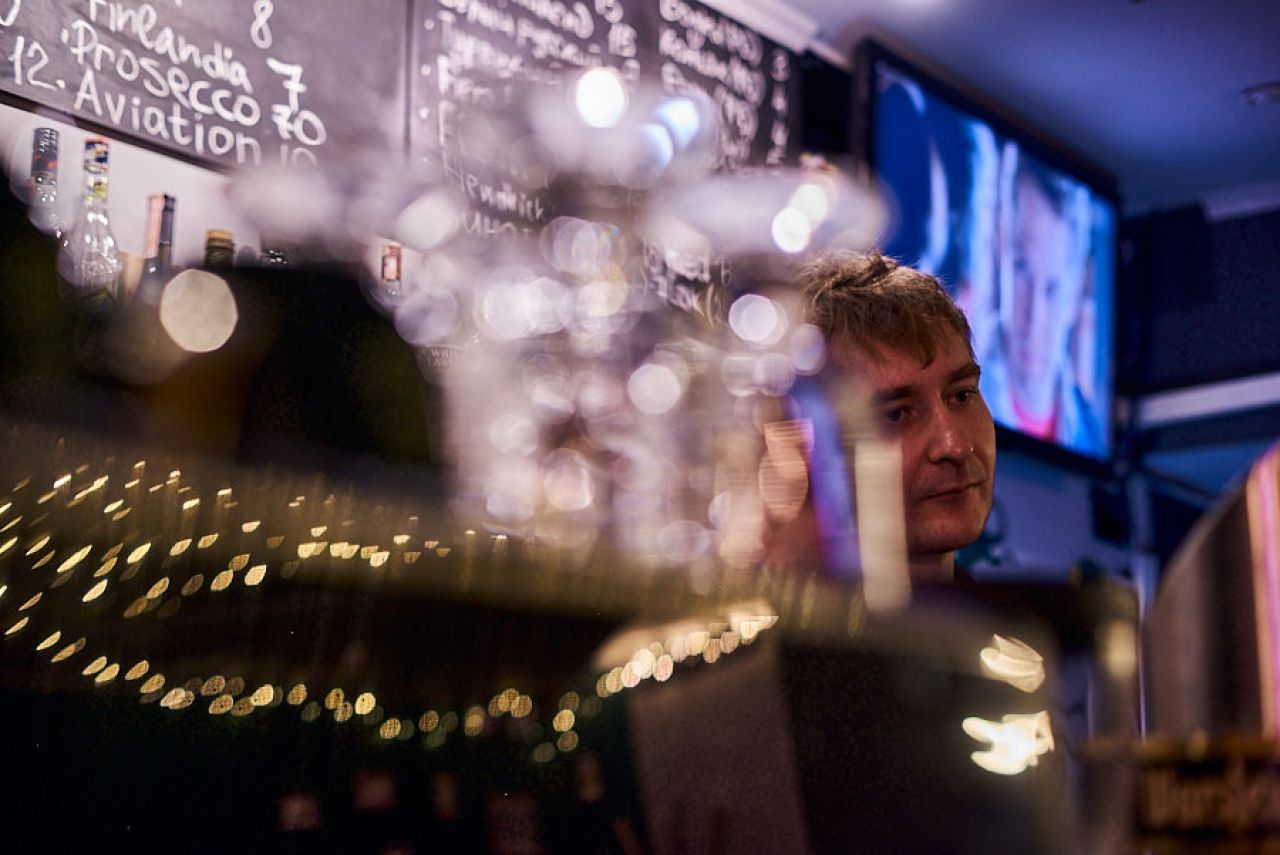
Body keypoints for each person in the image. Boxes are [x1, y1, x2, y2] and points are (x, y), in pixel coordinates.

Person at [798, 250, 996, 583]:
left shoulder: (1026, 633)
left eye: (962, 395)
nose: (955, 446)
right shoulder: (754, 633)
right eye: (895, 415)